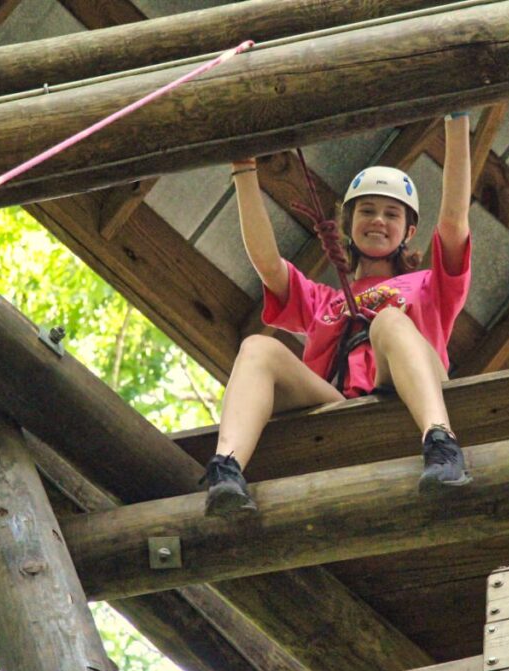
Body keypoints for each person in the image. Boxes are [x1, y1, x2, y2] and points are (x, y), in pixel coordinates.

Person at [201, 113, 473, 517]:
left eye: (392, 214)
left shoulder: (431, 287)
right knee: (257, 346)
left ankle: (441, 442)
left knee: (389, 321)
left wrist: (457, 118)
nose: (378, 220)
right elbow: (267, 263)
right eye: (367, 211)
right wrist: (243, 168)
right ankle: (226, 469)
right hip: (338, 401)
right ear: (349, 223)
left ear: (409, 231)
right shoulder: (325, 301)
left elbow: (452, 221)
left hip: (407, 386)